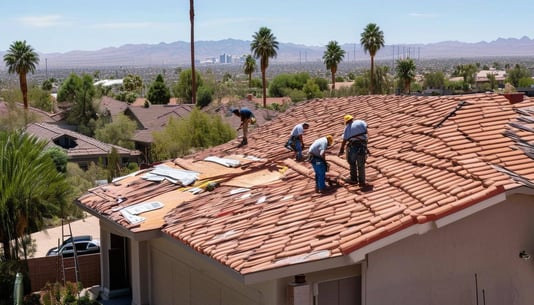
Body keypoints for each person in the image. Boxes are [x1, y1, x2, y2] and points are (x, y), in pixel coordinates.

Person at [338, 114, 369, 187]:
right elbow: (366, 128)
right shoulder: (360, 122)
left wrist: (341, 149)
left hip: (353, 147)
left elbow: (345, 139)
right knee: (361, 165)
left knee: (352, 163)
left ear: (346, 121)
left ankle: (354, 179)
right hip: (362, 146)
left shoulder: (347, 127)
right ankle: (362, 181)